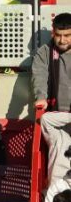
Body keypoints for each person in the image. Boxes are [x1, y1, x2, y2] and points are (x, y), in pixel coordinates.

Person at [36, 13, 71, 183]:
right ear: (53, 33)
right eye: (58, 35)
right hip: (57, 120)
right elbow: (39, 76)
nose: (62, 40)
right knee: (59, 149)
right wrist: (40, 97)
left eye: (67, 36)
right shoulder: (45, 52)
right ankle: (55, 198)